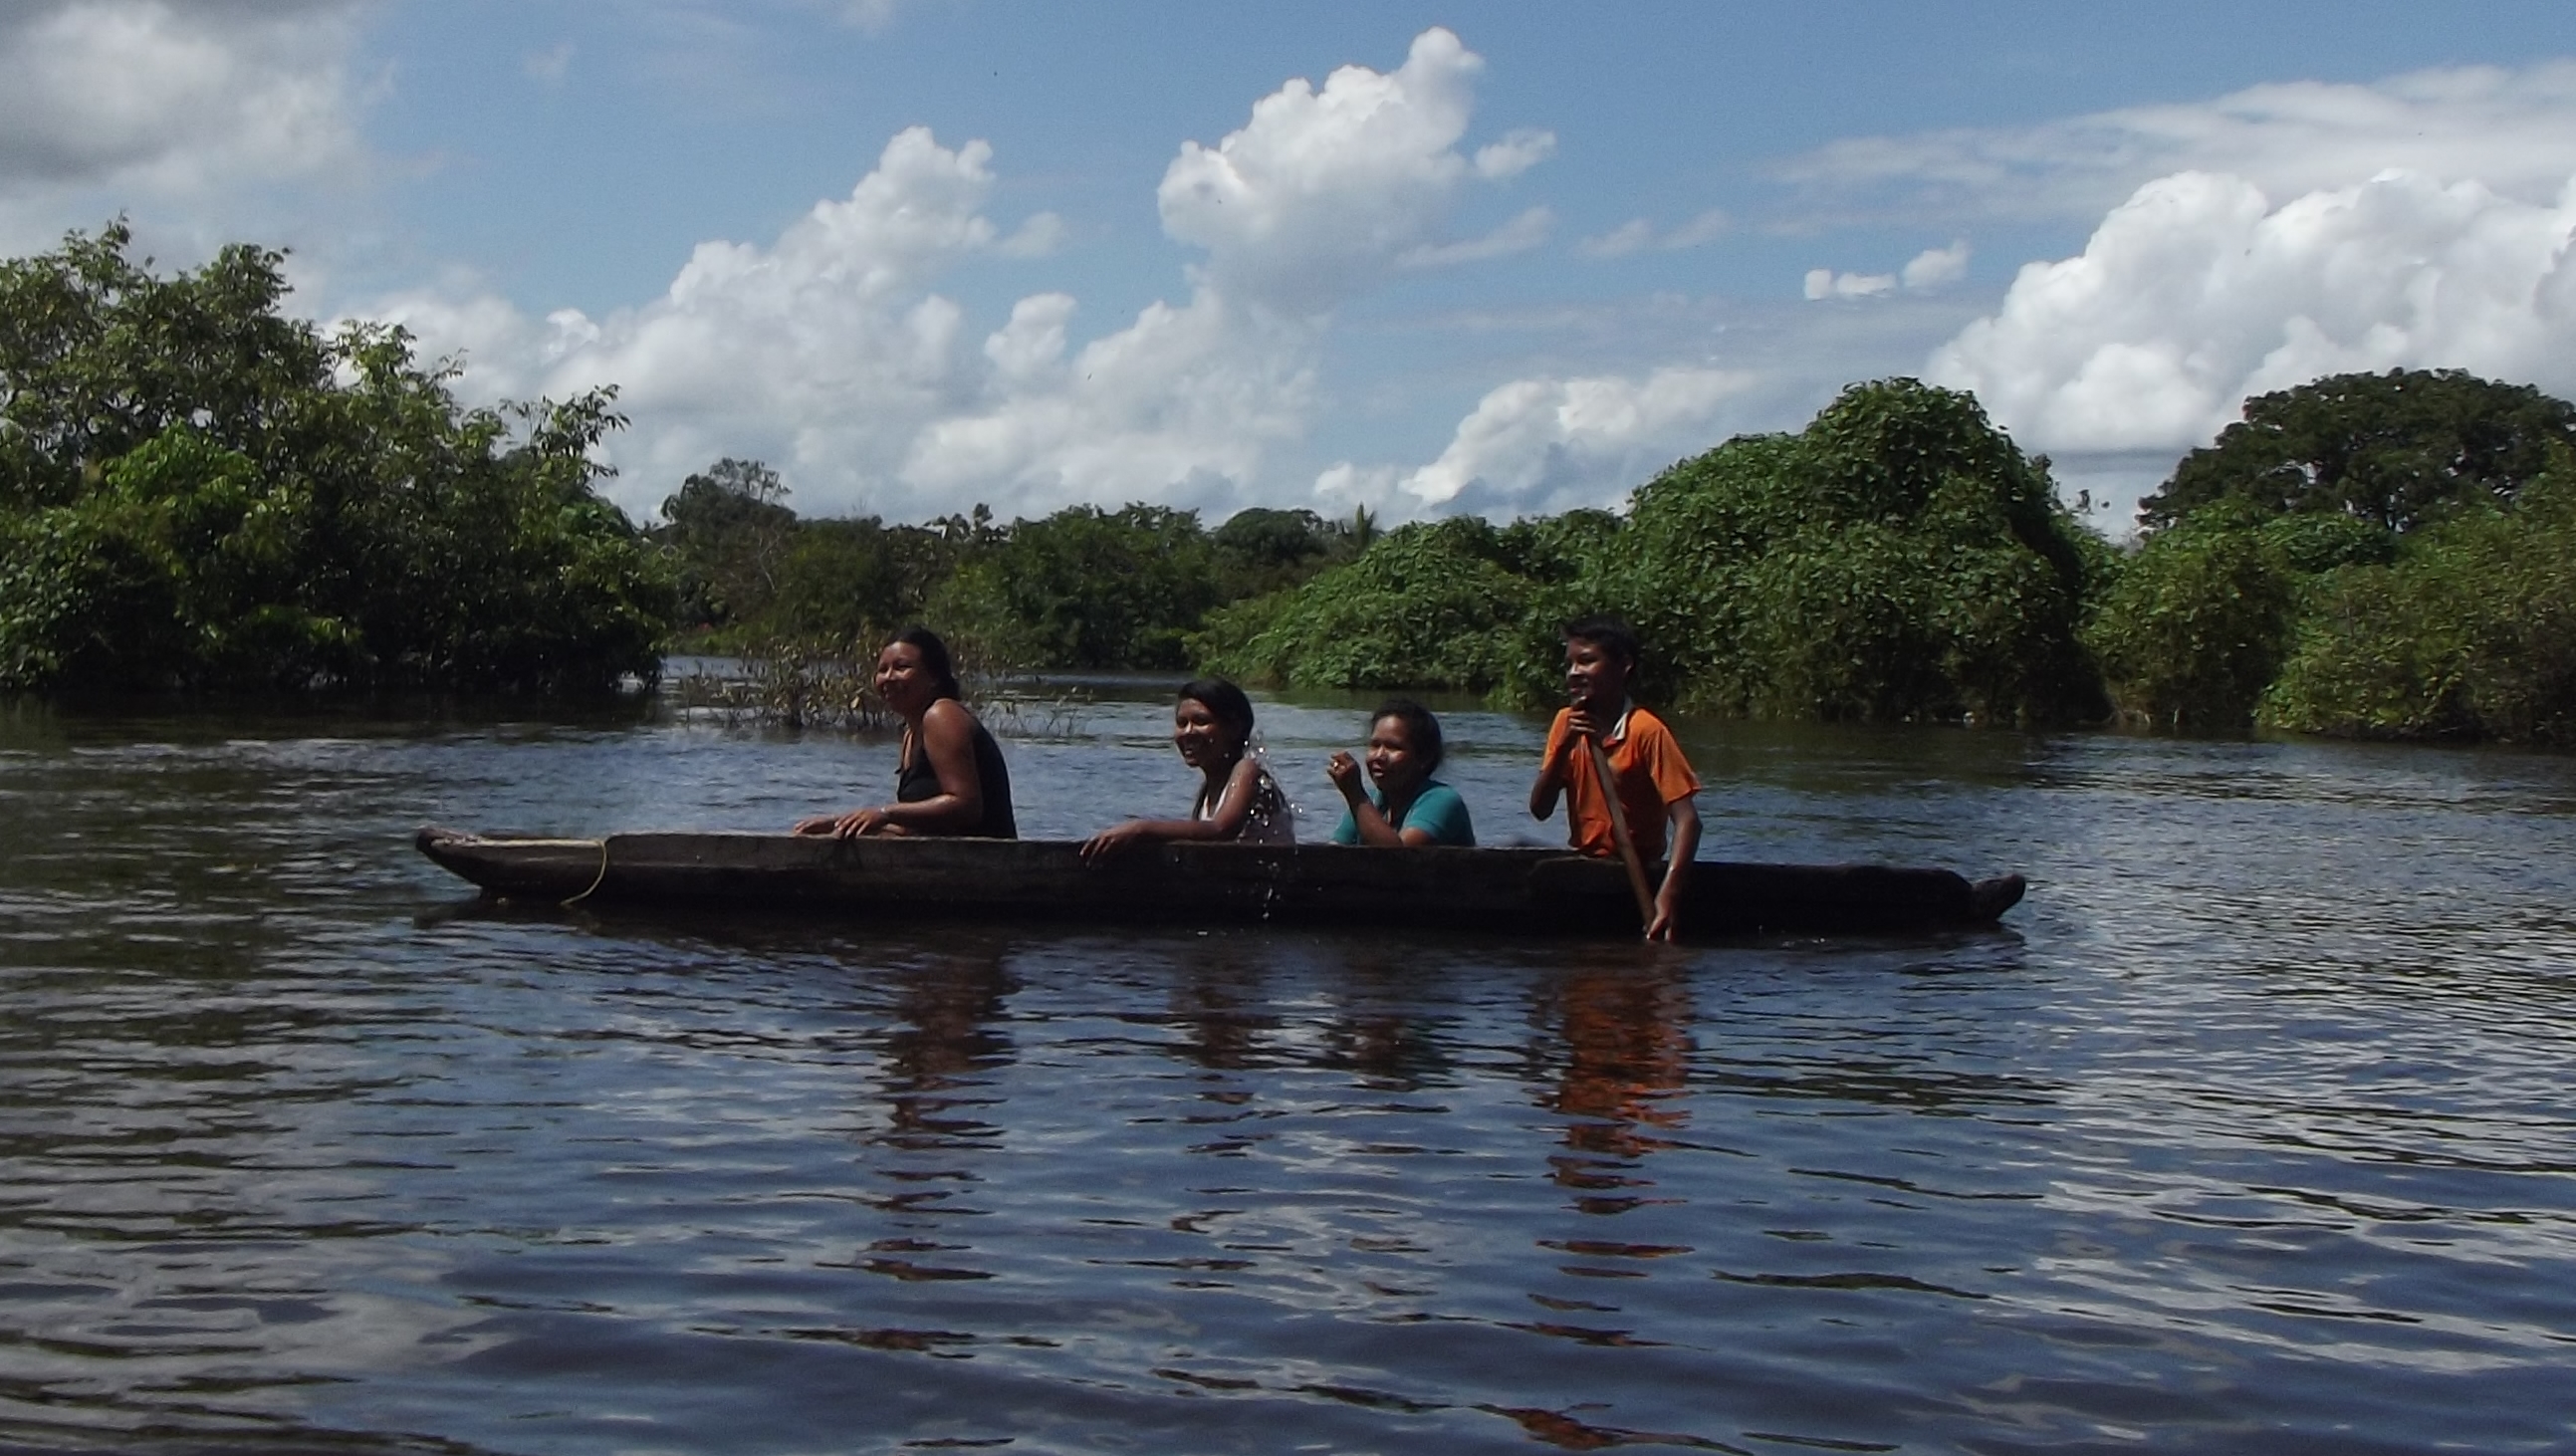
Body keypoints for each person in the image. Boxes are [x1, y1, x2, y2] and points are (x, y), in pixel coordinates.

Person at [1528, 617, 1701, 941]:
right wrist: (1565, 746)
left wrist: (1668, 894)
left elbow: (1688, 821)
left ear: (1623, 666)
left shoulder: (1646, 730)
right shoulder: (1566, 722)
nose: (1574, 673)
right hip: (1587, 867)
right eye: (1569, 664)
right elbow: (1540, 809)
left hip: (1637, 870)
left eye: (1586, 661)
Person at [793, 626, 1017, 840]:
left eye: (902, 667)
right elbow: (911, 828)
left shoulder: (942, 715)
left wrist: (885, 813)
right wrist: (839, 823)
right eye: (883, 670)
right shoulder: (911, 734)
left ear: (933, 677)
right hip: (942, 856)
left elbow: (967, 807)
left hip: (986, 860)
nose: (889, 677)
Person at [1081, 677, 1291, 859]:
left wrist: (1140, 828)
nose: (1188, 732)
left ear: (1234, 728)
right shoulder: (1206, 789)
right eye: (1182, 723)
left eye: (1201, 721)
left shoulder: (1247, 770)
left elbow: (1221, 830)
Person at [1326, 699, 1475, 848]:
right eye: (1375, 745)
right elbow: (1332, 853)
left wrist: (1355, 795)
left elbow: (1399, 856)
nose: (1379, 756)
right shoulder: (1371, 801)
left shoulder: (1443, 801)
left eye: (1393, 747)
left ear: (1424, 757)